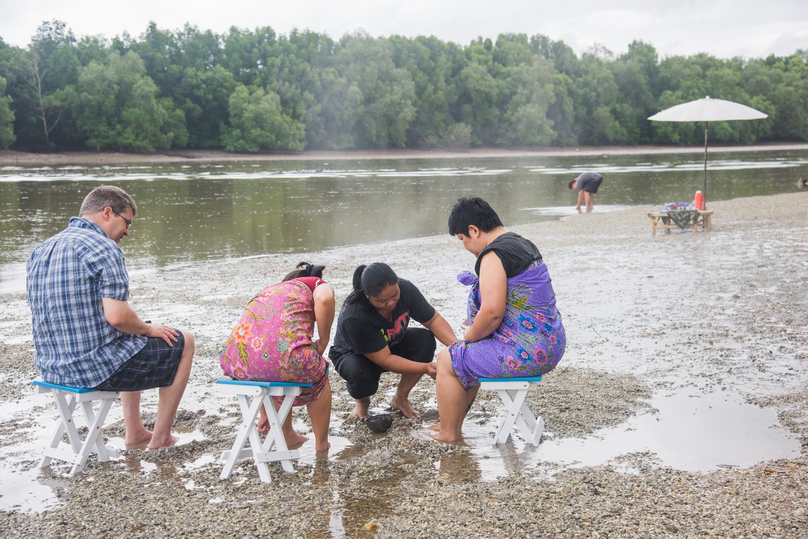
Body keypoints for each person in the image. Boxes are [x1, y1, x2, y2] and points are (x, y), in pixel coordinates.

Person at [27, 185, 195, 450]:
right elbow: (117, 317)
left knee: (135, 333)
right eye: (126, 222)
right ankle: (161, 438)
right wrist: (149, 330)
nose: (127, 231)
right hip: (92, 370)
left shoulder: (42, 249)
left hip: (52, 369)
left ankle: (136, 431)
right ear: (107, 212)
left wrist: (141, 328)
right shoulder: (104, 248)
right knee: (183, 339)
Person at [430, 196, 565, 442]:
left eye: (462, 239)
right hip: (552, 344)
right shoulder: (522, 243)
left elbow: (492, 314)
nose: (465, 246)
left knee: (448, 358)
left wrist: (469, 334)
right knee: (466, 355)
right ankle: (451, 422)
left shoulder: (493, 255)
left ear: (473, 230)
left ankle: (449, 433)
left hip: (529, 351)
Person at [220, 262, 335, 452]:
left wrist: (264, 410)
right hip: (281, 360)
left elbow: (265, 346)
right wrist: (323, 341)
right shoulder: (316, 285)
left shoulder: (271, 291)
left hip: (237, 361)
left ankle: (287, 434)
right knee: (318, 372)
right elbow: (324, 299)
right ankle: (321, 444)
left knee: (274, 365)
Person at [329, 263, 457, 419]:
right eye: (382, 301)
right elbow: (385, 359)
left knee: (425, 340)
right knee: (360, 373)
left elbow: (433, 320)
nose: (391, 303)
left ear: (397, 284)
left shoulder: (406, 289)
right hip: (353, 354)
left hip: (390, 343)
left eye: (394, 295)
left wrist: (458, 348)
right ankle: (362, 403)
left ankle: (400, 398)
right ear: (368, 296)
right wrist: (425, 368)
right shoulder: (355, 315)